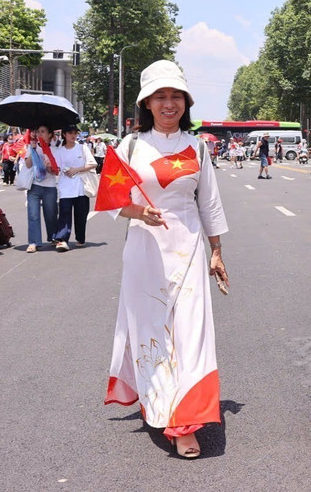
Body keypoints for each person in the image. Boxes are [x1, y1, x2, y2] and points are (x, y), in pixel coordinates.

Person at [105, 59, 229, 460]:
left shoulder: (197, 147)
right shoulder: (130, 146)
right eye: (161, 96)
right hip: (145, 250)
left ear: (185, 101)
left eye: (176, 96)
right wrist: (138, 212)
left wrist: (217, 251)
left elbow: (208, 201)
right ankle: (158, 403)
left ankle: (186, 420)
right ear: (147, 102)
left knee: (192, 332)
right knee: (153, 330)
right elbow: (109, 201)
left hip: (189, 244)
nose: (169, 103)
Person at [50, 125, 96, 251]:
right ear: (64, 134)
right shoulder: (59, 151)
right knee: (64, 213)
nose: (73, 135)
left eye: (75, 133)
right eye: (70, 133)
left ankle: (80, 238)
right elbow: (55, 167)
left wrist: (76, 169)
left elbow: (93, 164)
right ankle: (62, 239)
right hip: (65, 187)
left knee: (81, 214)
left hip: (81, 186)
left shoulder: (82, 148)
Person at [23, 125, 59, 253]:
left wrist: (49, 166)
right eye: (38, 132)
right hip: (34, 185)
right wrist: (33, 151)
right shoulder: (33, 146)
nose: (40, 134)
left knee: (51, 214)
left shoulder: (55, 149)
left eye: (43, 132)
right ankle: (34, 242)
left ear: (50, 134)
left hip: (49, 186)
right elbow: (27, 165)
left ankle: (54, 236)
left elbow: (56, 172)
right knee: (33, 214)